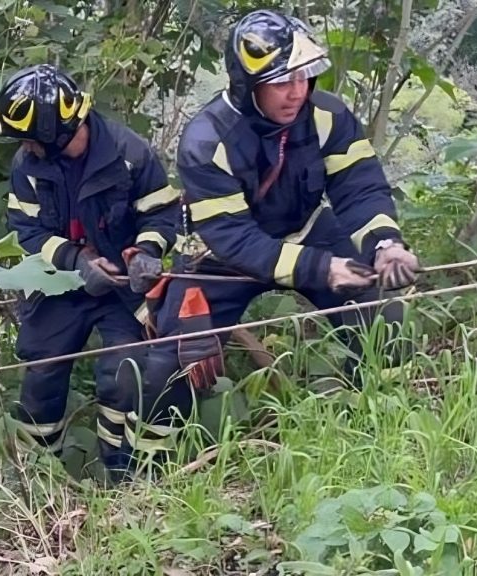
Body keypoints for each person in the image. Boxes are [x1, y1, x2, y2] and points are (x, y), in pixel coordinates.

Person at [124, 9, 420, 467]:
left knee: (384, 316)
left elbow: (359, 186)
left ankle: (381, 437)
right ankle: (144, 473)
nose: (297, 91)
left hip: (303, 231)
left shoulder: (326, 114)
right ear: (248, 84)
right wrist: (322, 269)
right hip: (223, 256)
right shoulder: (206, 141)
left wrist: (384, 243)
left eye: (303, 76)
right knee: (171, 360)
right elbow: (235, 239)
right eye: (282, 81)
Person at [0, 63, 180, 479]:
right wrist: (75, 261)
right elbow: (26, 231)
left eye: (28, 138)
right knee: (41, 374)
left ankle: (122, 479)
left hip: (122, 292)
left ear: (54, 135)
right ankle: (39, 480)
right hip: (59, 286)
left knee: (124, 373)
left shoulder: (131, 155)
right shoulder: (27, 166)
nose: (24, 145)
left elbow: (164, 216)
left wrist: (146, 253)